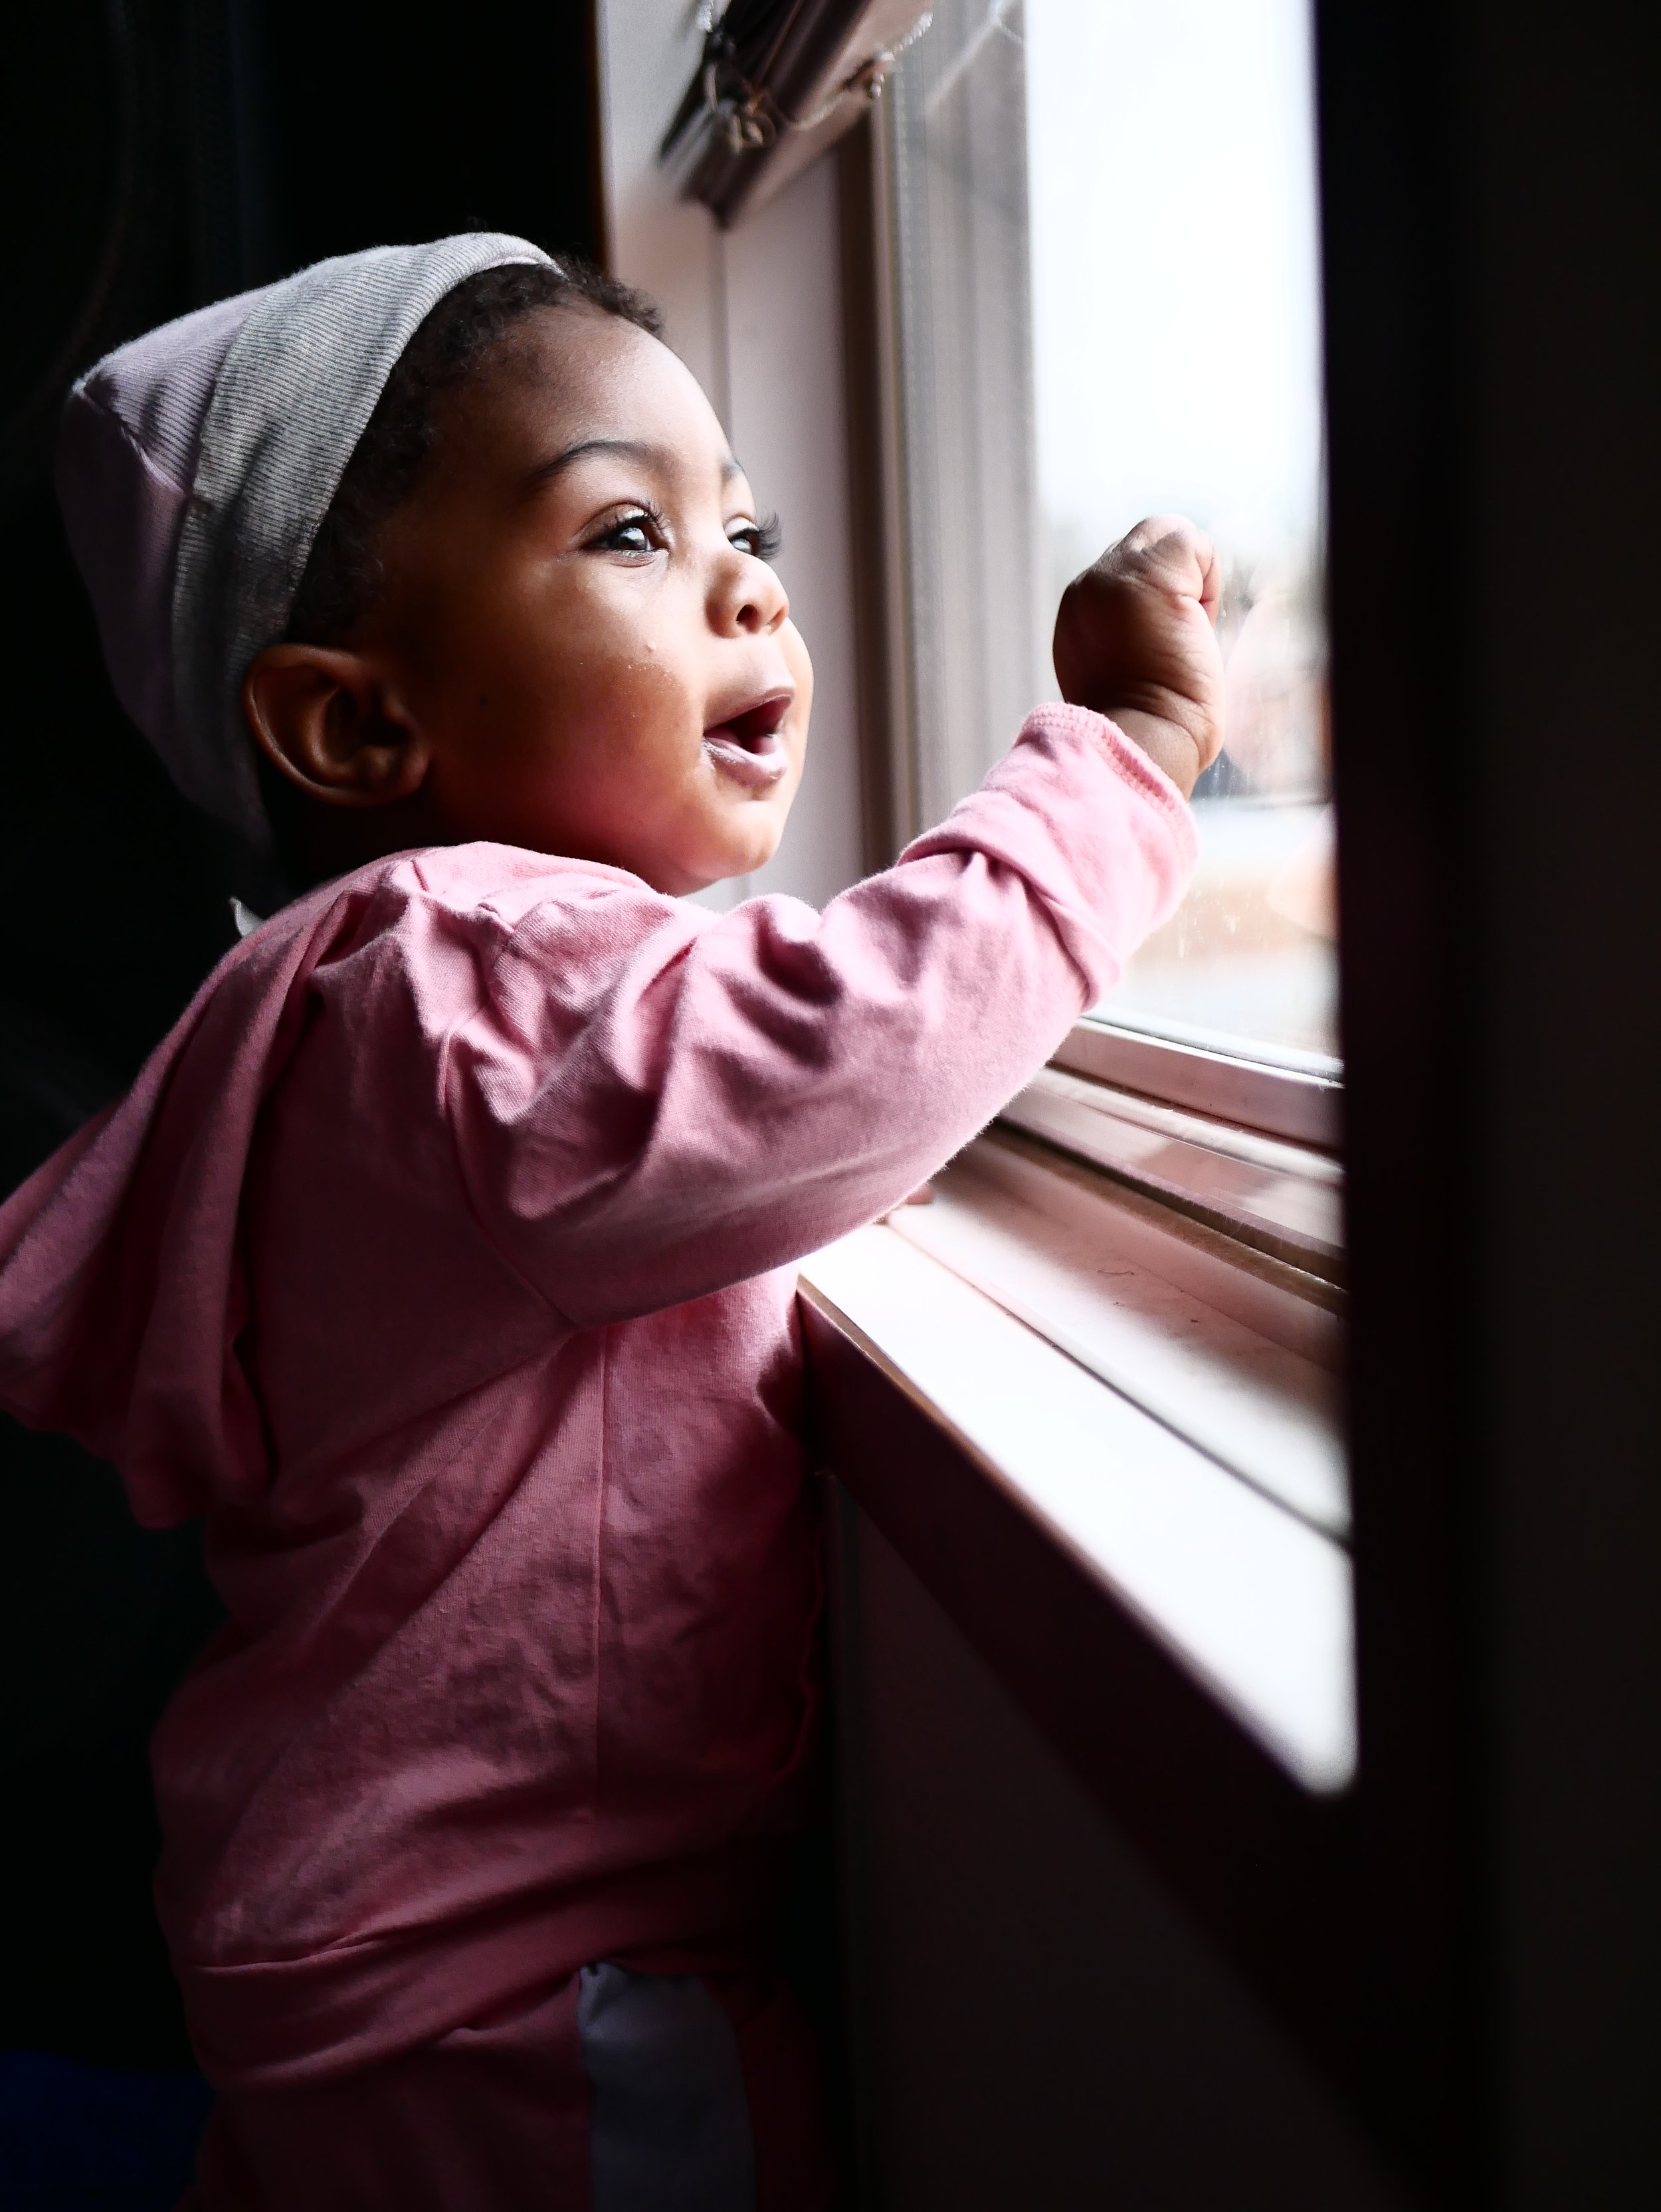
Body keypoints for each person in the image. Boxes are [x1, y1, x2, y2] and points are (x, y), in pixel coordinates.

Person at [0, 235, 1222, 2209]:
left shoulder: (356, 1007)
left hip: (375, 1954)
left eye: (748, 527)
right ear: (357, 728)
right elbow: (841, 1056)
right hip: (513, 1996)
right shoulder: (458, 968)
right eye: (633, 533)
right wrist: (1122, 756)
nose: (752, 584)